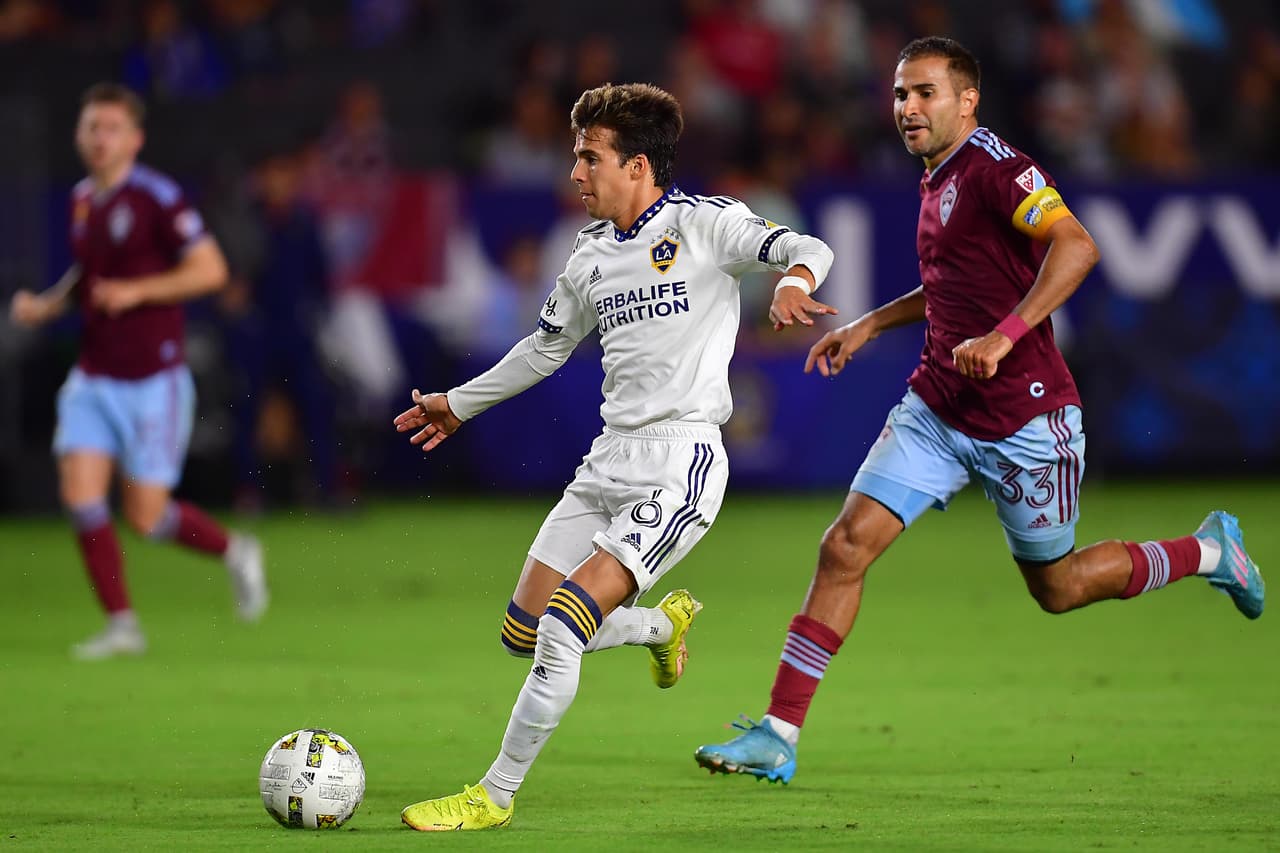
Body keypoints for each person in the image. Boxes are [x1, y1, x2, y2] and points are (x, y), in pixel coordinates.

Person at [692, 36, 1264, 785]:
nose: (908, 108)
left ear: (968, 101)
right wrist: (869, 323)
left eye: (926, 92)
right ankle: (778, 731)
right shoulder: (938, 177)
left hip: (1027, 420)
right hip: (938, 405)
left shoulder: (998, 168)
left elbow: (1079, 246)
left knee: (1057, 588)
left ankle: (1209, 551)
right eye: (900, 94)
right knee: (844, 545)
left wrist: (1006, 335)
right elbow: (957, 284)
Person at [393, 82, 836, 830]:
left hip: (681, 463)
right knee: (523, 631)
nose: (574, 173)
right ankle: (658, 628)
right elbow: (545, 347)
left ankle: (492, 794)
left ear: (636, 166)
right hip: (607, 462)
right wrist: (459, 402)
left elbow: (807, 244)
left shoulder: (705, 224)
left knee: (566, 627)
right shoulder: (591, 254)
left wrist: (794, 280)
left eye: (588, 157)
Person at [8, 82, 268, 660]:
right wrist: (48, 306)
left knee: (146, 517)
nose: (100, 138)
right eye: (91, 127)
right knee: (80, 494)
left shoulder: (157, 197)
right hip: (94, 377)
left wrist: (139, 291)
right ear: (79, 136)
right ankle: (122, 624)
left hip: (154, 381)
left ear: (135, 138)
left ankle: (235, 552)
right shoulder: (82, 199)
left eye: (111, 128)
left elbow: (210, 270)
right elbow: (90, 275)